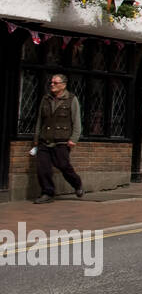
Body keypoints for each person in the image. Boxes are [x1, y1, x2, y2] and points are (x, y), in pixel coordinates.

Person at [32, 73, 84, 204]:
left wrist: (74, 139)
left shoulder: (72, 99)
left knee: (63, 166)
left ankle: (77, 184)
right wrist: (36, 138)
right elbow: (40, 120)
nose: (52, 85)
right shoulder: (46, 99)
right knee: (42, 168)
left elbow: (76, 122)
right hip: (45, 140)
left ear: (63, 85)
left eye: (55, 83)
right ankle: (47, 193)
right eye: (51, 82)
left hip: (62, 140)